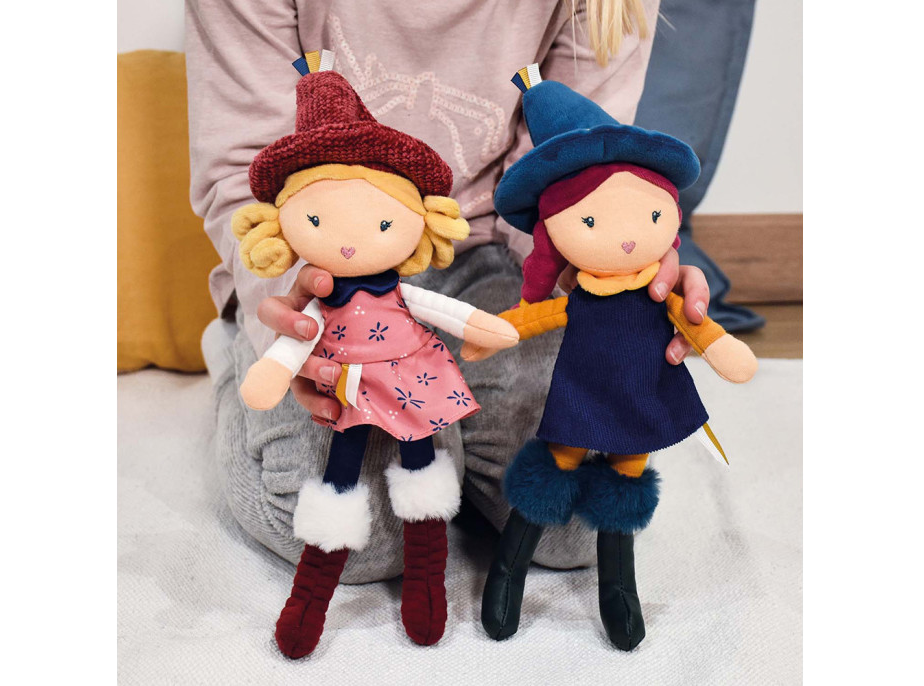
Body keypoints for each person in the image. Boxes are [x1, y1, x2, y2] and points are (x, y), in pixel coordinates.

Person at [185, 0, 712, 583]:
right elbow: (240, 170)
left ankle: (455, 423)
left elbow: (580, 174)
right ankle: (237, 344)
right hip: (324, 270)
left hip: (488, 254)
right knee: (356, 540)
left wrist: (613, 276)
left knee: (574, 520)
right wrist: (286, 309)